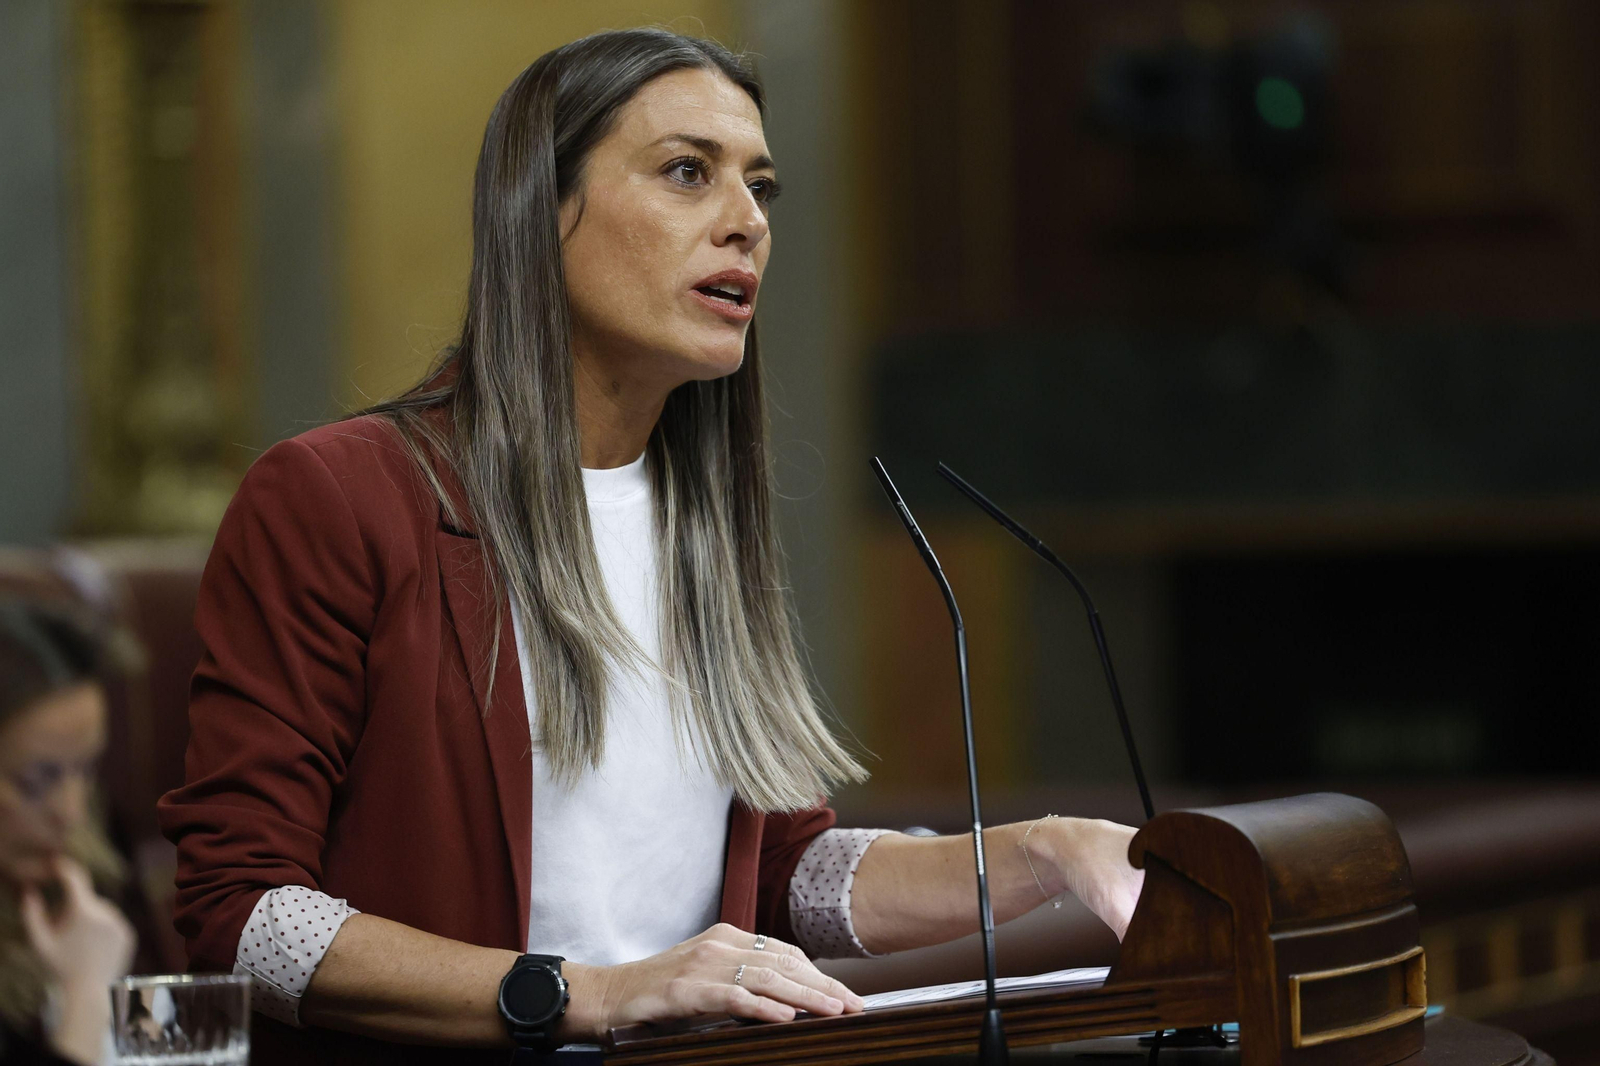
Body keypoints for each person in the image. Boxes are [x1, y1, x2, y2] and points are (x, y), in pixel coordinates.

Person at [157, 28, 1145, 1064]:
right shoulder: (340, 496)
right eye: (688, 173)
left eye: (761, 187)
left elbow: (781, 874)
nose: (747, 222)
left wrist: (1041, 851)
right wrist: (589, 993)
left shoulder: (706, 520)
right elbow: (247, 916)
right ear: (539, 211)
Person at [0, 599, 136, 1065]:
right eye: (37, 780)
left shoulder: (76, 877)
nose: (72, 813)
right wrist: (86, 995)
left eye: (85, 769)